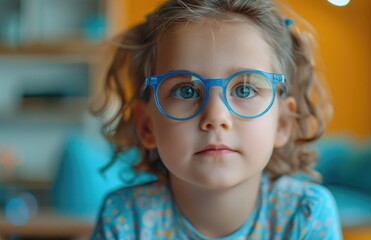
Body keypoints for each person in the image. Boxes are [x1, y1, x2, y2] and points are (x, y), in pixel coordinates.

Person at [91, 0, 342, 239]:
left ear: (282, 123)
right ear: (147, 126)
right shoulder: (125, 218)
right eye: (185, 91)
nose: (215, 117)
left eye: (244, 89)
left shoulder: (305, 215)